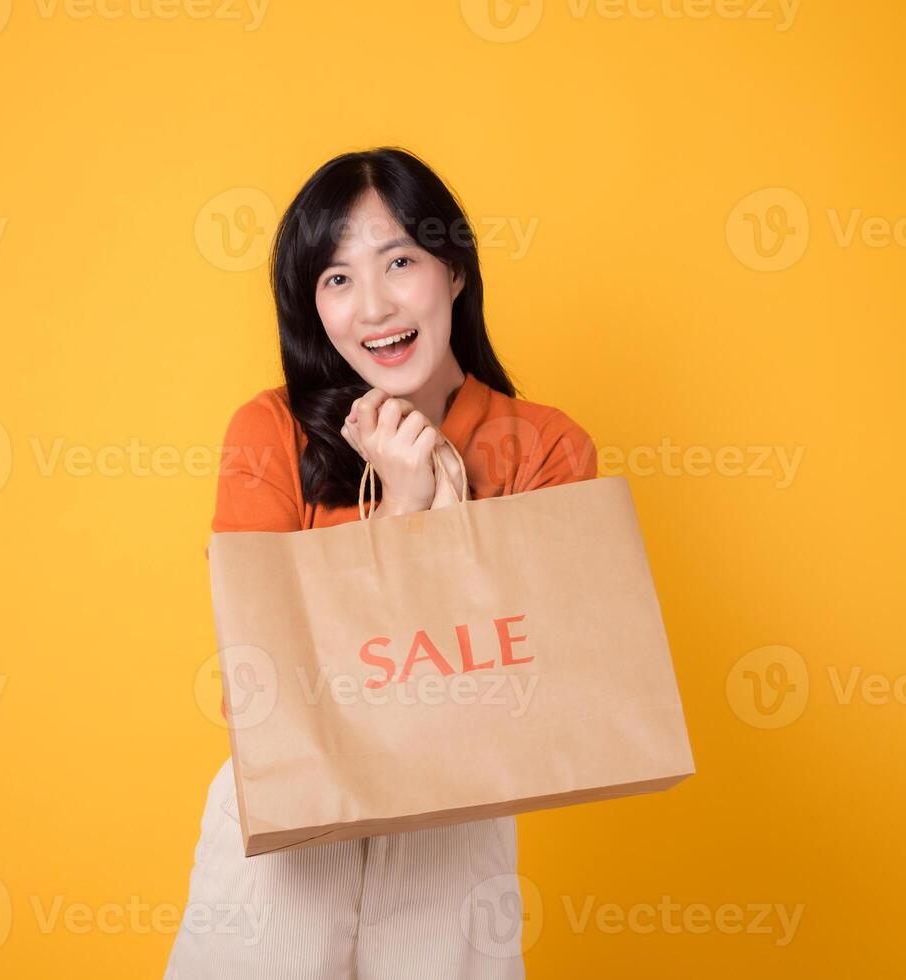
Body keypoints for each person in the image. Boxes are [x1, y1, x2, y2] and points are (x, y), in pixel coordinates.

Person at [166, 147, 598, 978]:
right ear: (312, 306)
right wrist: (400, 508)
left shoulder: (544, 448)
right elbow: (255, 681)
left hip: (454, 825)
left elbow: (542, 686)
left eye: (399, 261)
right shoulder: (271, 434)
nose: (373, 305)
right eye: (336, 278)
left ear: (454, 271)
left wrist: (431, 506)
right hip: (287, 819)